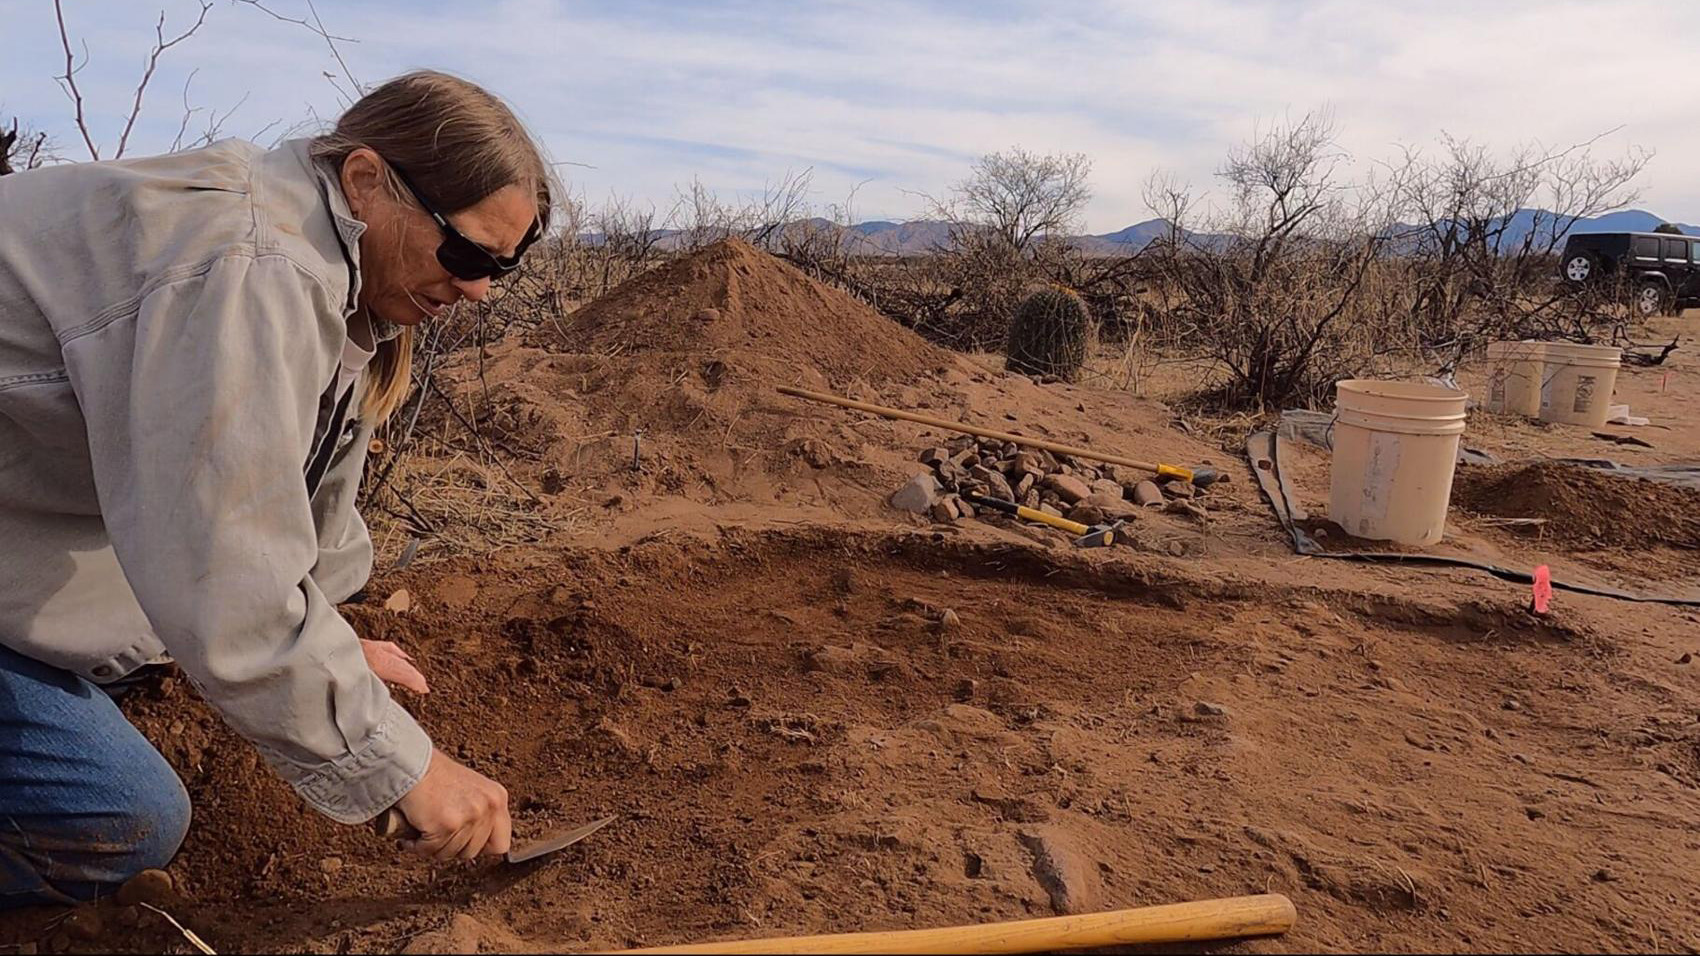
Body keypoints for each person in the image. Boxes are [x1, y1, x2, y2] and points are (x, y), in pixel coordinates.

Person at [0, 71, 553, 906]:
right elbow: (223, 566)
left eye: (498, 269)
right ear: (366, 180)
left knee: (145, 666)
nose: (477, 289)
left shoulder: (341, 285)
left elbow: (269, 509)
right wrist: (408, 769)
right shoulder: (253, 264)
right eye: (467, 253)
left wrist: (320, 633)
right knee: (116, 814)